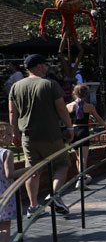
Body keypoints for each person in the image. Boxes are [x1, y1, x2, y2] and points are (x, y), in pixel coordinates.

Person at [9, 54, 74, 215]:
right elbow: (61, 108)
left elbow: (12, 112)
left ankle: (33, 206)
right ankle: (53, 195)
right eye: (45, 64)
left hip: (28, 136)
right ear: (38, 66)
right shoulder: (50, 84)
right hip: (51, 134)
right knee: (62, 164)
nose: (47, 67)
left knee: (32, 170)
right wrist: (70, 127)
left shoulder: (16, 87)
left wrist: (14, 134)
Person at [66, 83, 106, 189]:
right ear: (85, 94)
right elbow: (98, 119)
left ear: (74, 93)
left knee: (78, 158)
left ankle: (82, 177)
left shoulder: (69, 106)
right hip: (83, 131)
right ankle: (81, 180)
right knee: (83, 158)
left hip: (74, 131)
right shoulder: (89, 106)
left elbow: (65, 120)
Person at [0, 134, 22, 242]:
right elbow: (9, 174)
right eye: (8, 134)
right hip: (4, 193)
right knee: (4, 225)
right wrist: (28, 169)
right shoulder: (7, 153)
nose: (11, 137)